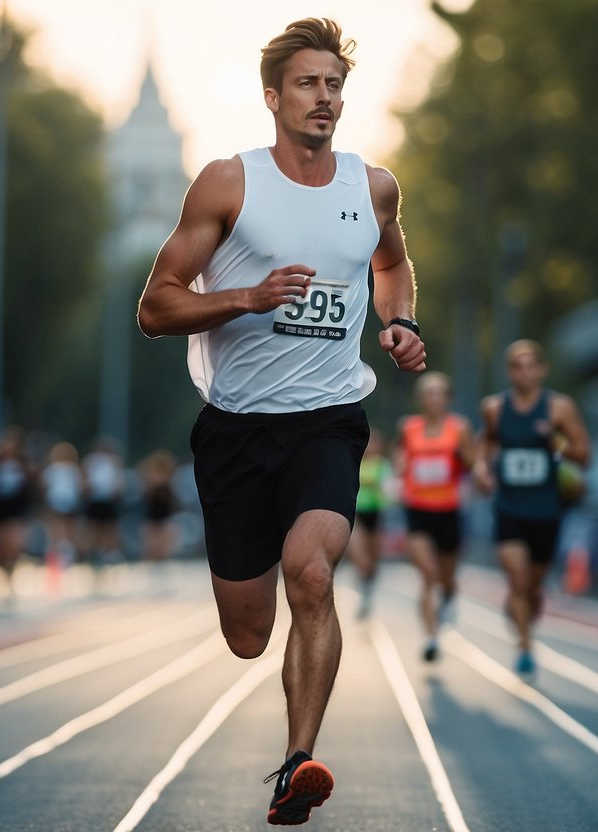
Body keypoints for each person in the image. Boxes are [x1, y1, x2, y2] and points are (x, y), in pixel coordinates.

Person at [135, 18, 425, 825]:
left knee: (313, 573)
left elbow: (392, 262)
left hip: (328, 418)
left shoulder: (372, 188)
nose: (324, 97)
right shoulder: (229, 184)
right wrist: (245, 298)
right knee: (246, 634)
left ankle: (298, 762)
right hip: (234, 429)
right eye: (307, 83)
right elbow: (155, 307)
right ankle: (283, 718)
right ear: (273, 96)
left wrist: (398, 322)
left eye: (334, 84)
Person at [475, 340, 590, 675]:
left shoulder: (559, 409)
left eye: (530, 365)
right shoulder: (495, 408)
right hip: (508, 505)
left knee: (532, 585)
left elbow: (585, 453)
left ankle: (525, 606)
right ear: (509, 372)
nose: (524, 372)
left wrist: (555, 442)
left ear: (542, 369)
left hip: (546, 507)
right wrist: (482, 470)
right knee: (517, 576)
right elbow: (488, 441)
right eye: (517, 366)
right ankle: (525, 646)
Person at [395, 371, 474, 661]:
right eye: (429, 393)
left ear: (448, 398)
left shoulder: (459, 428)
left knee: (446, 577)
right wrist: (399, 469)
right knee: (428, 575)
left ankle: (450, 594)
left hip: (449, 509)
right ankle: (431, 637)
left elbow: (473, 462)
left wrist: (468, 464)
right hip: (417, 508)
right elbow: (400, 458)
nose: (434, 398)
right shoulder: (408, 428)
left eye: (440, 393)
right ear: (420, 399)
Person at [0, 427, 36, 600]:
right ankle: (5, 573)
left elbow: (33, 481)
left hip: (17, 509)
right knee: (1, 548)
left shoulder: (22, 463)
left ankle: (11, 573)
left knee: (15, 544)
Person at [347, 429, 390, 618]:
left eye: (375, 442)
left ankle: (368, 589)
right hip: (357, 514)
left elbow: (389, 489)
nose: (370, 446)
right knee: (361, 558)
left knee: (372, 561)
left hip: (376, 513)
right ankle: (362, 590)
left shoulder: (383, 465)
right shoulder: (354, 461)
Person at [82, 437, 127, 571]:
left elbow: (118, 484)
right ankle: (96, 553)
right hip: (96, 500)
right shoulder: (92, 462)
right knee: (95, 529)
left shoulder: (113, 462)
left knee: (108, 529)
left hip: (106, 500)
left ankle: (108, 554)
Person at [138, 449, 181, 588]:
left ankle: (161, 574)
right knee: (151, 545)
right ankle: (152, 575)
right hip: (152, 516)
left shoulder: (169, 479)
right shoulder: (150, 479)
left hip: (164, 515)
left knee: (163, 545)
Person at [40, 442, 83, 573]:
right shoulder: (61, 470)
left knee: (62, 531)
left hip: (63, 502)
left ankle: (64, 556)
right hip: (61, 501)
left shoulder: (68, 470)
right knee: (60, 531)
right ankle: (60, 557)